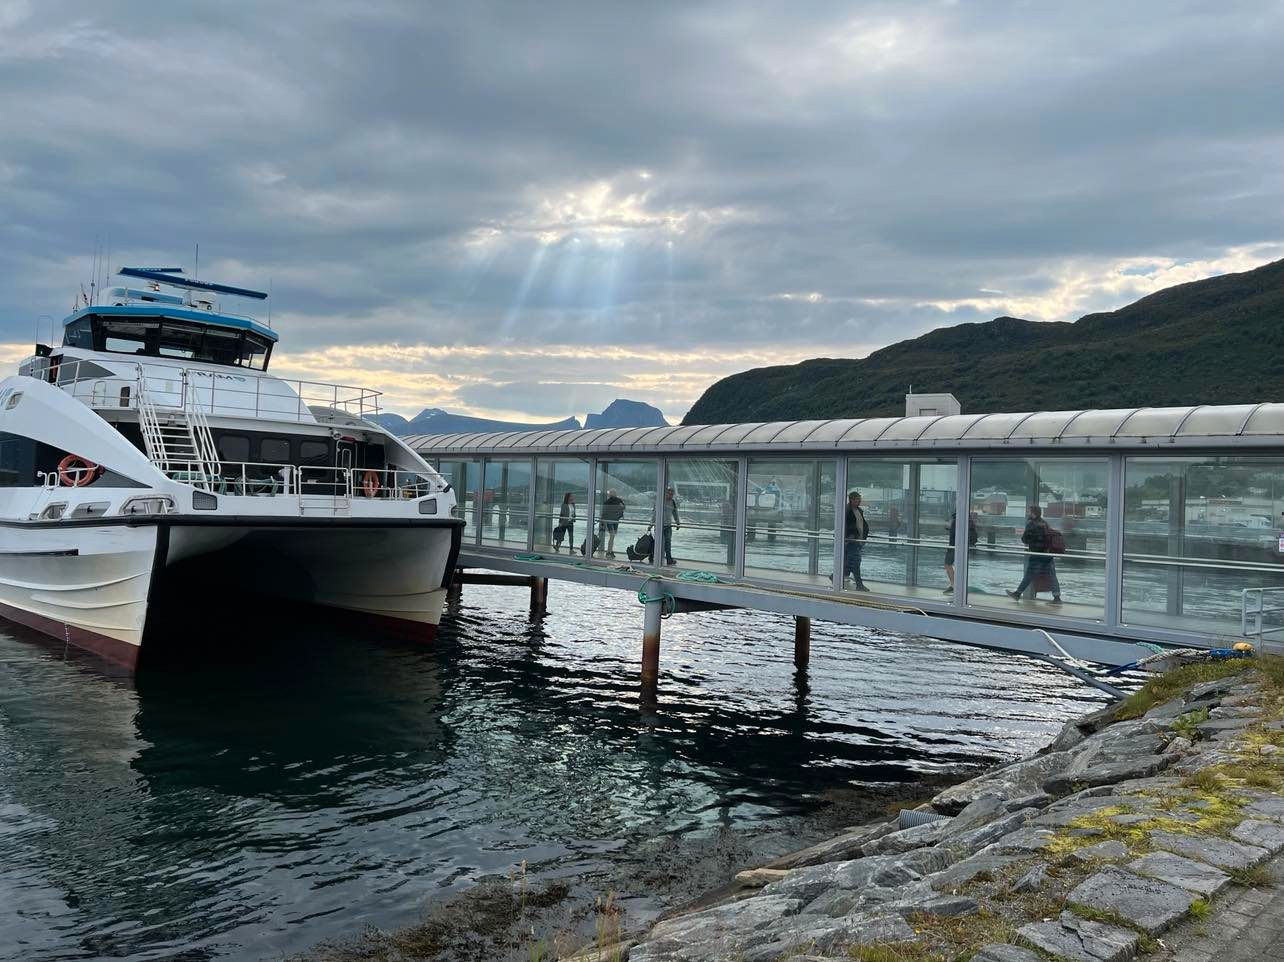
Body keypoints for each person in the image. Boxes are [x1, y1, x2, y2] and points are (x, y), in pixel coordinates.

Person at [1008, 505, 1062, 603]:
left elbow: (1025, 539)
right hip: (1047, 555)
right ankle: (1057, 597)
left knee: (1029, 575)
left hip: (1036, 554)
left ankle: (1017, 593)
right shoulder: (1044, 523)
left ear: (1033, 513)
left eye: (1029, 512)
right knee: (1052, 576)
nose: (1028, 514)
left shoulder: (1032, 524)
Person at [943, 510, 978, 594]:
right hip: (963, 547)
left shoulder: (957, 520)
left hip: (955, 546)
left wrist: (950, 528)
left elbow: (956, 533)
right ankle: (955, 585)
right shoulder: (969, 521)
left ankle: (954, 585)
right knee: (959, 566)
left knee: (947, 564)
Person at [844, 490, 870, 590]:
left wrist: (863, 536)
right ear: (852, 500)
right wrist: (850, 536)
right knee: (855, 562)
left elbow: (862, 524)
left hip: (857, 540)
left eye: (860, 500)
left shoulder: (859, 510)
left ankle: (835, 575)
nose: (859, 502)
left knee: (852, 562)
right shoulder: (847, 510)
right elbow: (846, 525)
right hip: (851, 541)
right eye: (857, 500)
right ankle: (859, 585)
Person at [599, 489, 626, 558]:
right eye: (612, 493)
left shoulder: (618, 500)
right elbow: (604, 512)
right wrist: (602, 521)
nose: (613, 494)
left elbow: (623, 507)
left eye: (614, 492)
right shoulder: (608, 502)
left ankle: (610, 550)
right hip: (610, 520)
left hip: (615, 520)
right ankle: (608, 551)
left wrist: (622, 507)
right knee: (612, 535)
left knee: (612, 536)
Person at [662, 486, 680, 566]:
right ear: (665, 493)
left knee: (668, 542)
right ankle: (653, 556)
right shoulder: (660, 501)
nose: (670, 495)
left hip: (668, 526)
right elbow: (655, 513)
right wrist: (651, 524)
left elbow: (675, 513)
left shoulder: (672, 502)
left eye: (672, 494)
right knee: (657, 542)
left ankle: (669, 559)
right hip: (659, 526)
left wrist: (677, 522)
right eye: (669, 494)